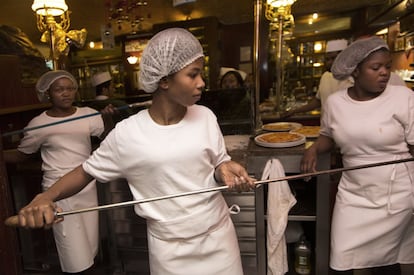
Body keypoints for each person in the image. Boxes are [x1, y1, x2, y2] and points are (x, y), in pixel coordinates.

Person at [15, 28, 256, 275]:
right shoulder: (128, 134)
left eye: (200, 74)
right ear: (164, 80)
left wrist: (223, 168)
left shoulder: (205, 116)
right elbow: (84, 172)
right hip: (170, 252)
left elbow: (216, 166)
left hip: (219, 238)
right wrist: (47, 197)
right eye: (192, 75)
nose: (202, 83)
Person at [300, 36, 414, 275]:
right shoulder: (335, 103)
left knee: (386, 261)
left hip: (396, 194)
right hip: (354, 194)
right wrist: (313, 148)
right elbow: (328, 137)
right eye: (375, 68)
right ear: (356, 71)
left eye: (387, 67)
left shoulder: (403, 97)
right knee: (341, 258)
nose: (384, 73)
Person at [3, 70, 116, 274]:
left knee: (89, 249)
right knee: (74, 255)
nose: (66, 93)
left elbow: (108, 138)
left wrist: (107, 120)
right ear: (48, 93)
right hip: (58, 193)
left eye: (70, 88)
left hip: (86, 187)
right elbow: (22, 154)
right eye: (59, 90)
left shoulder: (88, 114)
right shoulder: (39, 124)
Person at [282, 39, 353, 117]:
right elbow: (318, 101)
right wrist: (295, 111)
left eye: (333, 58)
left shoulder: (354, 79)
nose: (329, 62)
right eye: (327, 59)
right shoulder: (325, 76)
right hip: (326, 126)